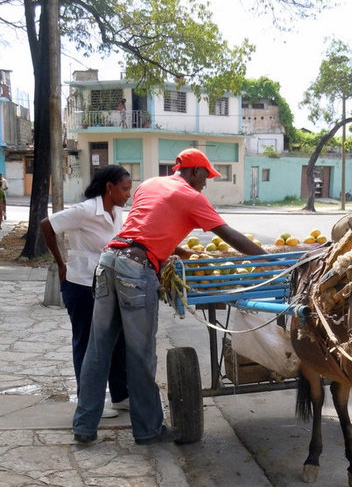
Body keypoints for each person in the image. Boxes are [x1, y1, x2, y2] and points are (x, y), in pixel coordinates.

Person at [73, 148, 266, 446]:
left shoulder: (149, 184)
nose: (206, 183)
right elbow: (229, 235)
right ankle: (148, 430)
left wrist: (173, 249)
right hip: (135, 271)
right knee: (139, 355)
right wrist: (270, 261)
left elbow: (144, 227)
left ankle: (84, 428)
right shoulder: (192, 197)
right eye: (206, 176)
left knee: (98, 351)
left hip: (108, 260)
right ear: (195, 171)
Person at [40, 165, 132, 418]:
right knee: (88, 343)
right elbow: (46, 225)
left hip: (108, 283)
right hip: (81, 284)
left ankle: (121, 395)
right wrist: (60, 263)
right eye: (124, 189)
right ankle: (89, 401)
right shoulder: (85, 210)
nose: (128, 194)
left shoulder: (117, 212)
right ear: (109, 187)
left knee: (117, 339)